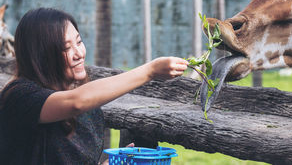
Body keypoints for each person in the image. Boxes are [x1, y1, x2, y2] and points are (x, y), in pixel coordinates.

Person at [0, 8, 188, 165]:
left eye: (79, 42)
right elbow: (76, 102)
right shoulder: (19, 96)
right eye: (66, 48)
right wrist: (150, 71)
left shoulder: (90, 112)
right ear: (40, 56)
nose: (79, 53)